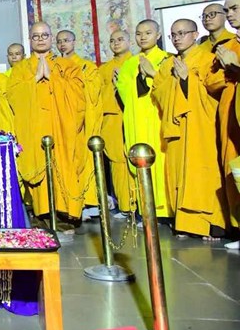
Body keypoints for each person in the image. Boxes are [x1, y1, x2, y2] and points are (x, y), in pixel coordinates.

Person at [152, 19, 227, 239]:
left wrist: (187, 81)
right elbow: (157, 92)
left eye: (182, 33)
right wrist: (175, 82)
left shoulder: (207, 58)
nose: (177, 38)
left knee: (202, 172)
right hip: (176, 128)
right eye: (173, 35)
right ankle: (185, 223)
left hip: (200, 125)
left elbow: (216, 88)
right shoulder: (167, 64)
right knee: (178, 174)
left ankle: (211, 225)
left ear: (195, 35)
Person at [7, 22, 85, 220]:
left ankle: (65, 215)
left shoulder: (68, 66)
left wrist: (53, 79)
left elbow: (79, 95)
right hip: (33, 127)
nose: (40, 39)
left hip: (60, 126)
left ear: (51, 38)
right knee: (36, 168)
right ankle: (41, 215)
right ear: (30, 40)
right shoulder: (20, 69)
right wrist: (33, 81)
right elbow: (12, 95)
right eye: (36, 36)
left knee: (63, 167)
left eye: (44, 35)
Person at [115, 20, 172, 219]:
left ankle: (164, 210)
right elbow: (123, 91)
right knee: (137, 162)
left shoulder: (166, 59)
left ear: (158, 35)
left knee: (160, 162)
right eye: (139, 33)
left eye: (148, 33)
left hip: (155, 117)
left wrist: (152, 74)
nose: (143, 37)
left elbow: (169, 90)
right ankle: (145, 210)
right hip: (135, 118)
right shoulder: (129, 64)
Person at [205, 0, 240, 247]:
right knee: (235, 171)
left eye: (234, 8)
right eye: (227, 10)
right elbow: (211, 81)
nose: (229, 14)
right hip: (231, 112)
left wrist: (236, 67)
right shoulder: (231, 45)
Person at [56, 30, 103, 215]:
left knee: (84, 159)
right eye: (59, 42)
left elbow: (94, 91)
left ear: (74, 42)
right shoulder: (56, 66)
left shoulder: (86, 66)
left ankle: (89, 202)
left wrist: (77, 79)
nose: (63, 45)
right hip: (64, 120)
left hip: (83, 120)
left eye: (66, 40)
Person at [98, 30, 134, 215]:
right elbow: (97, 95)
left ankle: (138, 206)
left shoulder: (135, 63)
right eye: (112, 40)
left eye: (120, 39)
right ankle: (125, 205)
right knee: (116, 161)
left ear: (129, 41)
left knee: (133, 159)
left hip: (132, 116)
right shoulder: (104, 69)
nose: (116, 43)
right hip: (112, 118)